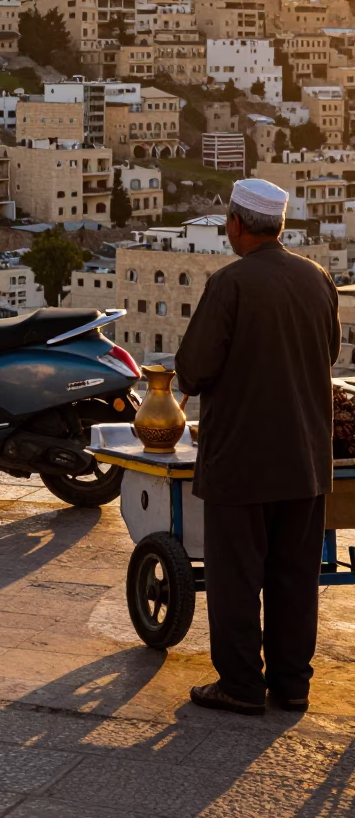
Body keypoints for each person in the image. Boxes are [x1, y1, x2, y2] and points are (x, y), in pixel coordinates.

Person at [175, 177, 340, 715]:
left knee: (237, 574)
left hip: (242, 460)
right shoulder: (318, 279)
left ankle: (242, 685)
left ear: (237, 225)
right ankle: (292, 684)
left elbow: (194, 370)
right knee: (295, 576)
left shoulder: (230, 284)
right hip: (307, 460)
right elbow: (329, 355)